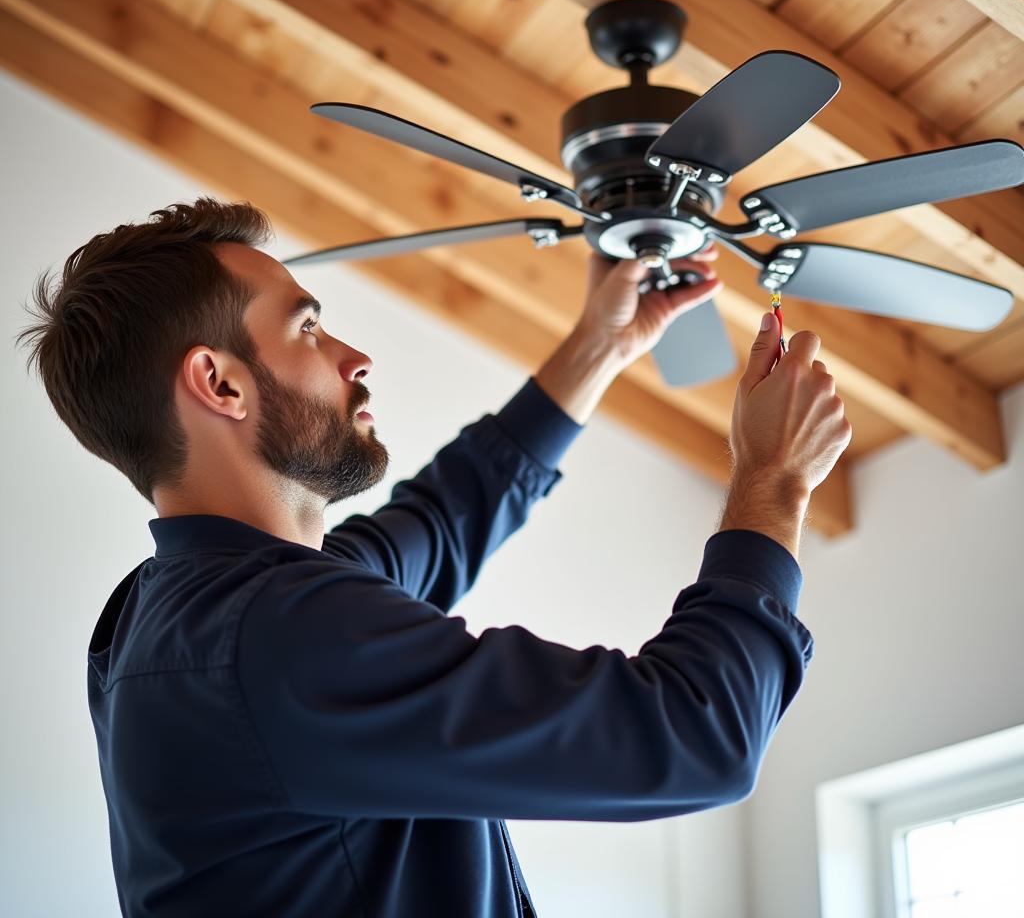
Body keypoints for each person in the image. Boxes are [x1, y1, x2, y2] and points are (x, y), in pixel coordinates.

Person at [18, 197, 851, 917]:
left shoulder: (184, 614)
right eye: (307, 327)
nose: (355, 357)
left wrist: (602, 343)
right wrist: (773, 484)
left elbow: (443, 519)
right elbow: (697, 734)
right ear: (220, 384)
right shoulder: (274, 637)